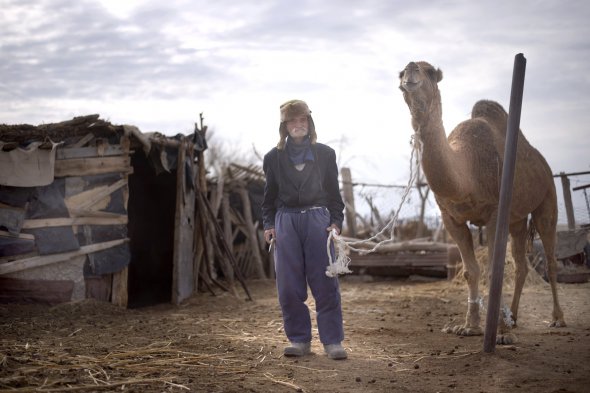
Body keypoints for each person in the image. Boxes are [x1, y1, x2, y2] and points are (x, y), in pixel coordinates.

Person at [261, 99, 347, 360]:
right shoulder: (272, 158)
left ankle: (332, 342)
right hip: (285, 221)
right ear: (284, 127)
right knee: (288, 285)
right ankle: (299, 340)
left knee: (325, 282)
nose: (298, 125)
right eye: (292, 121)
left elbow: (334, 194)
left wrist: (335, 221)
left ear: (310, 123)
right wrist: (268, 225)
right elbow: (268, 199)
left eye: (302, 120)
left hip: (317, 219)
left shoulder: (325, 154)